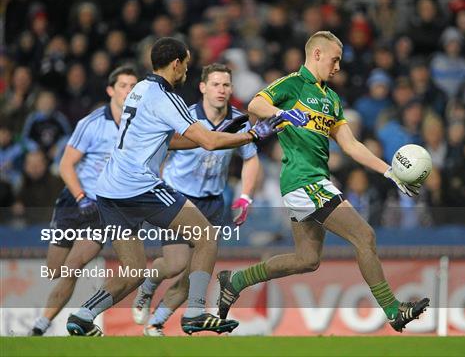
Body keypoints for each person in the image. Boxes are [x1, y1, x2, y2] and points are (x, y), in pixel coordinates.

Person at [65, 37, 285, 336]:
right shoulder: (166, 98)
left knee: (133, 271)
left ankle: (82, 315)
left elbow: (170, 140)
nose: (186, 72)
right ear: (177, 63)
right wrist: (253, 135)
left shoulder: (140, 89)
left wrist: (218, 136)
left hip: (110, 190)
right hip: (139, 187)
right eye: (186, 64)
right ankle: (195, 313)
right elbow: (207, 141)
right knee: (206, 236)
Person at [216, 31, 429, 333]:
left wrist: (390, 172)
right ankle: (394, 311)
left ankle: (235, 281)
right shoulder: (292, 84)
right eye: (335, 59)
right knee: (364, 236)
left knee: (307, 259)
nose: (338, 67)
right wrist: (284, 112)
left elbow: (351, 145)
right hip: (304, 181)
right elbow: (255, 104)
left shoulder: (331, 98)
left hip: (312, 182)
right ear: (316, 54)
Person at [131, 63, 260, 336]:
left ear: (232, 89)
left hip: (213, 203)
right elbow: (160, 149)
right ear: (202, 87)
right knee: (176, 264)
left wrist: (245, 196)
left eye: (226, 85)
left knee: (195, 275)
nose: (221, 90)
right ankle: (147, 287)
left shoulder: (239, 121)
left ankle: (156, 322)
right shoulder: (185, 116)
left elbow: (251, 159)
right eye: (215, 84)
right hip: (180, 197)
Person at [29, 66, 138, 336]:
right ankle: (75, 318)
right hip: (74, 200)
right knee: (54, 270)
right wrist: (80, 198)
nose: (129, 91)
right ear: (111, 90)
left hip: (103, 207)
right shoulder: (91, 123)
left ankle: (41, 326)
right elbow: (66, 165)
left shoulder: (139, 125)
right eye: (124, 85)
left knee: (73, 266)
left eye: (134, 87)